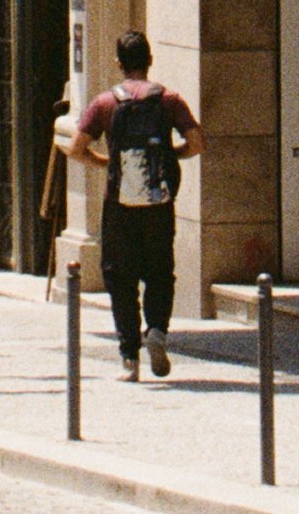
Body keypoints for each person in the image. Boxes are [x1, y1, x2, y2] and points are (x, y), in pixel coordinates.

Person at [72, 29, 203, 382]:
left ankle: (129, 356)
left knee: (119, 275)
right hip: (159, 202)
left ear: (118, 63)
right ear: (150, 60)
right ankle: (157, 331)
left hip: (119, 202)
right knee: (160, 270)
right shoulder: (169, 100)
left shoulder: (104, 103)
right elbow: (196, 142)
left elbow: (76, 149)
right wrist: (168, 156)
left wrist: (108, 162)